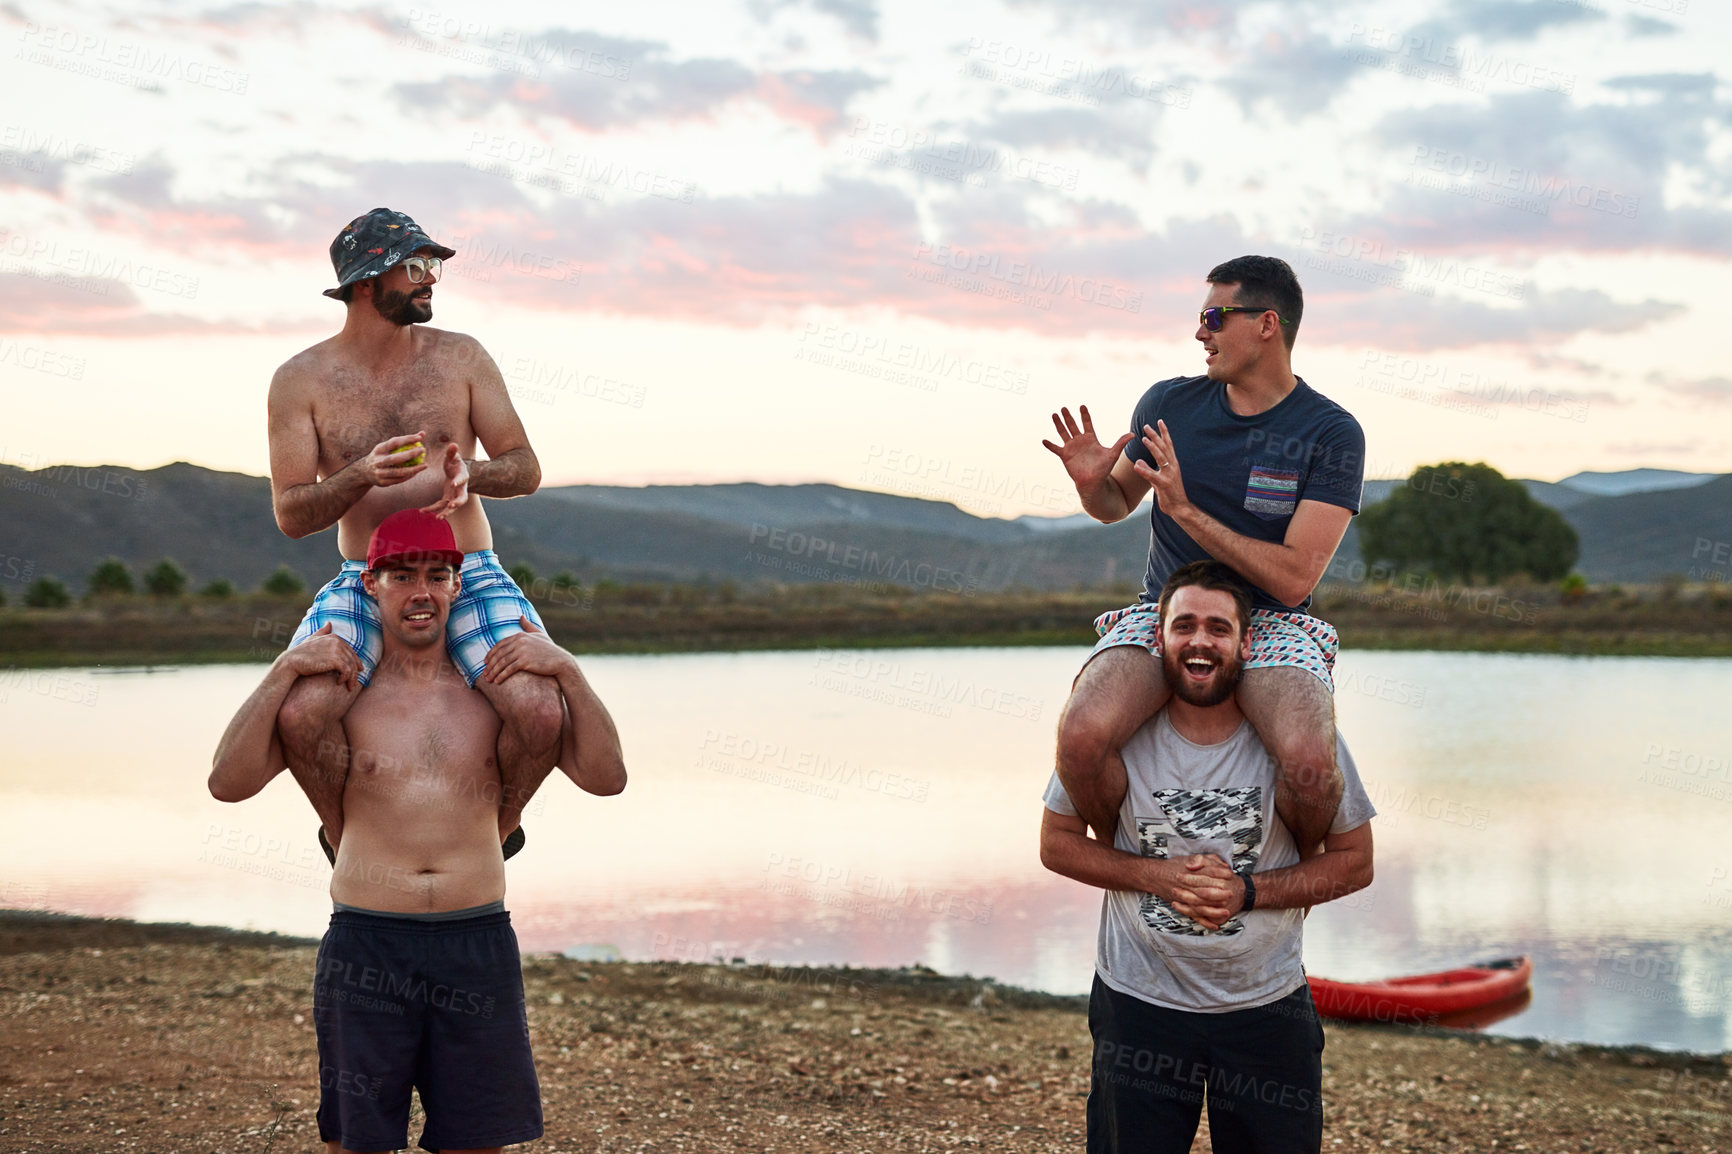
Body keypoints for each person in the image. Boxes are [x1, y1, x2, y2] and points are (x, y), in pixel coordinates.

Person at [209, 509, 626, 1154]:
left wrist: (568, 668)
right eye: (402, 576)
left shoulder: (492, 692)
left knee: (476, 1139)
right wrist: (284, 669)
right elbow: (227, 783)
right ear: (370, 584)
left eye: (437, 575)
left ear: (458, 587)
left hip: (476, 938)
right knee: (358, 1141)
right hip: (367, 940)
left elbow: (607, 778)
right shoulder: (345, 696)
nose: (421, 591)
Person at [1039, 560, 1375, 1154]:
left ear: (1247, 643)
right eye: (1184, 625)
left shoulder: (1299, 742)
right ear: (1157, 638)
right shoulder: (1119, 734)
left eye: (1218, 628)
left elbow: (1355, 861)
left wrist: (1249, 892)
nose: (1200, 640)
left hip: (1267, 1010)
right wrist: (1160, 878)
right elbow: (1056, 844)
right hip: (1138, 1004)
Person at [1043, 255, 1365, 853]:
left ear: (1267, 324)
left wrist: (1188, 511)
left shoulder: (1330, 432)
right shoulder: (1169, 404)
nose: (1201, 333)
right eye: (1201, 317)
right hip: (1166, 615)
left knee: (1309, 760)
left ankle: (1283, 871)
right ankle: (1141, 869)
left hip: (1276, 621)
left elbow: (1295, 579)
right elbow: (1117, 504)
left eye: (1215, 317)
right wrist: (1093, 485)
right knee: (1082, 733)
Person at [268, 206, 561, 851]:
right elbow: (292, 515)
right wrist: (358, 477)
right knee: (302, 711)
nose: (432, 279)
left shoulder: (462, 357)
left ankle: (497, 831)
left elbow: (526, 468)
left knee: (541, 709)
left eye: (433, 266)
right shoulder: (300, 380)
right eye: (417, 267)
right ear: (367, 283)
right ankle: (344, 838)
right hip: (367, 578)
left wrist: (472, 478)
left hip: (468, 567)